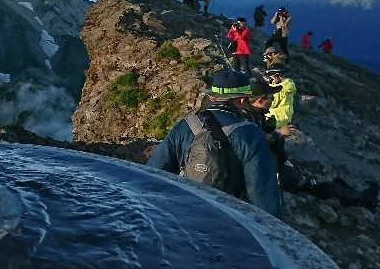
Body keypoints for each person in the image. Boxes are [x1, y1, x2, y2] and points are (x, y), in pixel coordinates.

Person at [147, 69, 283, 218]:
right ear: (242, 100)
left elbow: (153, 174)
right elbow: (261, 195)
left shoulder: (185, 125)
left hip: (185, 215)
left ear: (212, 98)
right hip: (226, 221)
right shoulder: (252, 134)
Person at [243, 84, 377, 208]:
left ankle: (358, 195)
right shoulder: (248, 118)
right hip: (269, 172)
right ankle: (362, 200)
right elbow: (256, 142)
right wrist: (278, 135)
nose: (273, 100)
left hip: (275, 167)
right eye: (270, 97)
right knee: (315, 185)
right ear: (260, 100)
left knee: (318, 181)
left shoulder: (256, 116)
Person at [264, 64, 296, 135]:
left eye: (270, 75)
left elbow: (272, 104)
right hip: (285, 116)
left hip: (277, 117)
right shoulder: (288, 85)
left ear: (277, 75)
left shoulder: (279, 89)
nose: (269, 78)